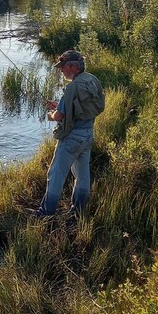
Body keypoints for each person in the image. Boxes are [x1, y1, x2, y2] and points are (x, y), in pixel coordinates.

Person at [36, 49, 105, 217]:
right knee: (82, 175)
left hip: (71, 138)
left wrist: (51, 115)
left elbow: (60, 116)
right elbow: (85, 105)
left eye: (63, 66)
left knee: (55, 174)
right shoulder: (92, 80)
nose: (61, 70)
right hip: (88, 135)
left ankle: (46, 213)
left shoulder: (72, 87)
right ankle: (78, 212)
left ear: (74, 66)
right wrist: (60, 103)